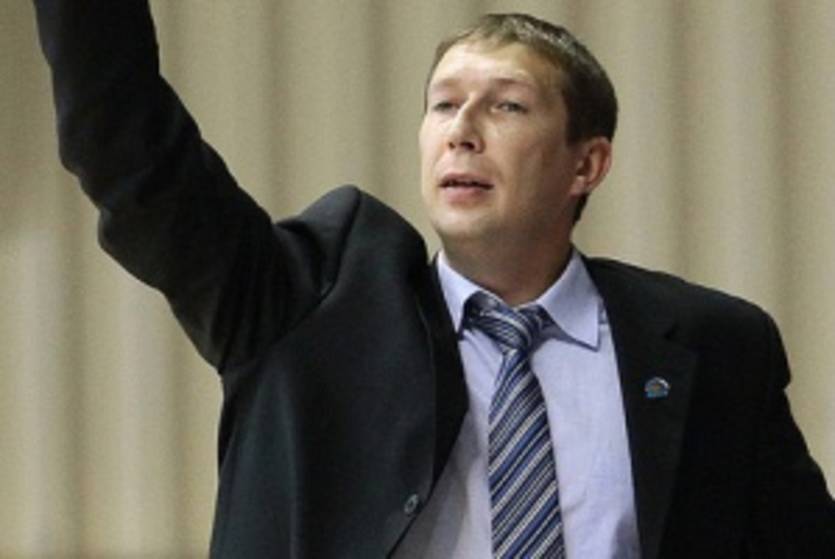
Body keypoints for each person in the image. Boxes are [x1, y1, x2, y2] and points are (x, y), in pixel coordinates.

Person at [33, 1, 834, 558]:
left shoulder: (714, 346)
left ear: (586, 164)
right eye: (443, 105)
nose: (461, 132)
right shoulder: (304, 310)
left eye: (506, 107)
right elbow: (127, 151)